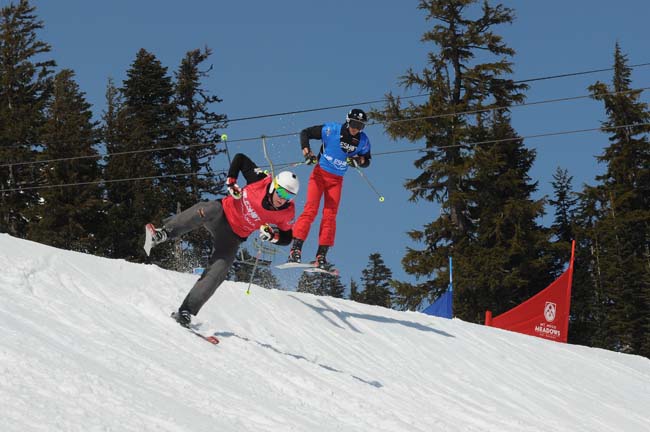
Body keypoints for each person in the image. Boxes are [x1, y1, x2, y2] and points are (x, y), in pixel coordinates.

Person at [144, 153, 299, 327]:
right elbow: (240, 158)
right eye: (280, 192)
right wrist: (231, 182)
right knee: (206, 209)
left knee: (220, 270)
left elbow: (287, 238)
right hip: (221, 213)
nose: (281, 199)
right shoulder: (260, 180)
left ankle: (186, 311)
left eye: (288, 196)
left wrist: (273, 236)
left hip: (232, 237)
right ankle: (163, 233)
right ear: (274, 186)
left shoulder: (286, 212)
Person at [287, 108, 371, 268]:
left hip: (336, 181)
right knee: (310, 210)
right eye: (353, 124)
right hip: (319, 175)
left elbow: (367, 159)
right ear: (347, 121)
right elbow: (305, 133)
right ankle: (295, 250)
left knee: (330, 216)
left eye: (360, 126)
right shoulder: (331, 130)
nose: (355, 129)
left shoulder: (363, 141)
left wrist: (358, 161)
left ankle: (321, 256)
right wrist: (307, 153)